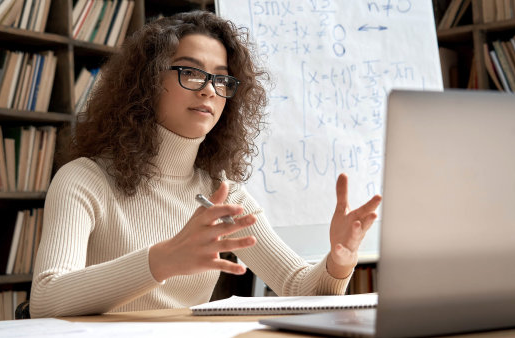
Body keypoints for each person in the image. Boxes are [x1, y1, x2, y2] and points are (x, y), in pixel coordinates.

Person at [30, 10, 382, 318]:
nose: (209, 90)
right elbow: (46, 298)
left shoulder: (223, 194)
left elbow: (297, 288)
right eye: (192, 72)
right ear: (148, 81)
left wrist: (339, 260)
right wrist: (161, 260)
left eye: (221, 78)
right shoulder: (83, 179)